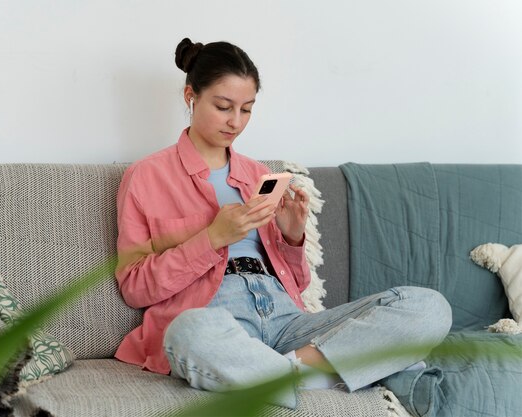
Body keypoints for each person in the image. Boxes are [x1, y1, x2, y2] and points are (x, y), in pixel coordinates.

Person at [114, 37, 452, 409]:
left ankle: (280, 376)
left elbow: (297, 283)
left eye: (247, 109)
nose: (236, 122)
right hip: (217, 318)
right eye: (223, 107)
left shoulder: (257, 174)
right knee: (188, 333)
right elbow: (134, 287)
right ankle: (336, 372)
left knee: (428, 307)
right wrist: (212, 238)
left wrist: (291, 238)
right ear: (190, 95)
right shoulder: (146, 176)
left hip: (287, 322)